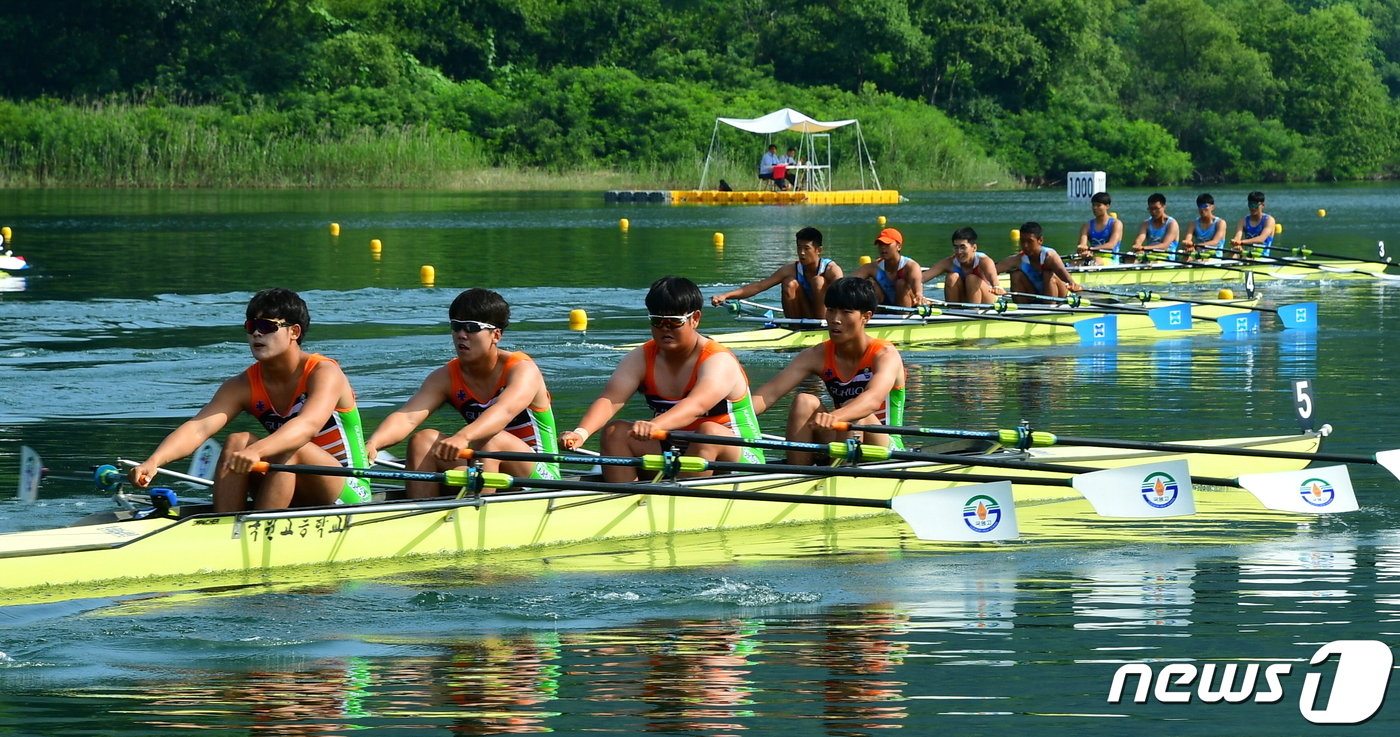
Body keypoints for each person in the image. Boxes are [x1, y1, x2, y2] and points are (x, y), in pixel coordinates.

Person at [128, 288, 372, 512]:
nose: (256, 332)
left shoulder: (324, 373)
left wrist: (257, 451)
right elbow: (199, 427)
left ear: (293, 332)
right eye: (251, 325)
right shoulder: (243, 384)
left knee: (289, 447)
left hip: (348, 489)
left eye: (267, 326)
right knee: (238, 440)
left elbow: (306, 427)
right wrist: (154, 461)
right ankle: (225, 526)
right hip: (291, 482)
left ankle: (259, 532)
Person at [561, 276, 765, 481]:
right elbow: (610, 400)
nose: (664, 329)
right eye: (657, 321)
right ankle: (623, 500)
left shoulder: (718, 360)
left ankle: (682, 501)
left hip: (739, 456)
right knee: (615, 432)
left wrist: (657, 424)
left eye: (674, 322)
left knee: (708, 432)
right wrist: (581, 433)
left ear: (695, 319)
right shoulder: (641, 357)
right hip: (676, 449)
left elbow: (696, 406)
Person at [363, 288, 560, 498]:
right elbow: (408, 417)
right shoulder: (446, 376)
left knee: (492, 439)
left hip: (539, 474)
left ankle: (476, 515)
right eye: (456, 326)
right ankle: (421, 514)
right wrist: (373, 443)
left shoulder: (522, 369)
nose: (461, 334)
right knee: (424, 440)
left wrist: (463, 437)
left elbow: (504, 411)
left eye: (472, 328)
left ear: (496, 335)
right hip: (483, 462)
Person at [750, 277, 906, 465]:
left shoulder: (885, 354)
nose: (835, 320)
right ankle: (797, 476)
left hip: (886, 445)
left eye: (846, 312)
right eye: (831, 311)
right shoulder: (817, 354)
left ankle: (840, 474)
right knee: (804, 401)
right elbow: (769, 394)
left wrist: (836, 416)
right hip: (843, 434)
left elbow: (872, 400)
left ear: (866, 317)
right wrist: (730, 418)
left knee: (855, 410)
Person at [710, 227, 843, 319]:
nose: (801, 253)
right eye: (799, 248)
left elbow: (845, 296)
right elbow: (759, 286)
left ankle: (821, 326)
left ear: (819, 250)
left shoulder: (831, 270)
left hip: (826, 318)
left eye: (806, 249)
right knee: (789, 282)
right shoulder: (791, 268)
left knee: (817, 281)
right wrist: (725, 295)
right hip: (804, 316)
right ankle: (794, 328)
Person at [994, 222, 1082, 302]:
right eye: (1022, 241)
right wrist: (995, 286)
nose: (1025, 246)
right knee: (1015, 275)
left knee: (1048, 274)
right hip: (1035, 293)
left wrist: (1072, 284)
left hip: (1059, 295)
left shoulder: (1049, 256)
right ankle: (1022, 310)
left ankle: (1050, 308)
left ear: (1040, 240)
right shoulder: (1017, 259)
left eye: (1029, 241)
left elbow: (1062, 272)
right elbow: (992, 271)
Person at [919, 226, 1004, 304]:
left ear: (974, 248)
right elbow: (923, 278)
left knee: (971, 279)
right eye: (956, 247)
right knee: (951, 277)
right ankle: (953, 311)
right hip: (964, 299)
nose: (959, 252)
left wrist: (996, 286)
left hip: (987, 299)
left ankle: (973, 311)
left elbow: (993, 278)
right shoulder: (949, 262)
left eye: (963, 247)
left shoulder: (984, 261)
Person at [851, 227, 923, 308]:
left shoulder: (911, 266)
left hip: (905, 309)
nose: (883, 247)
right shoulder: (872, 267)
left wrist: (918, 295)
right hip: (881, 307)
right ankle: (874, 313)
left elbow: (917, 288)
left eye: (887, 244)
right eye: (880, 244)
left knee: (901, 283)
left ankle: (903, 314)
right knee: (870, 283)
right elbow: (847, 282)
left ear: (899, 246)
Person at [1073, 191, 1124, 265]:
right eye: (1093, 205)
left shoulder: (1116, 224)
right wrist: (1083, 250)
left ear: (1107, 206)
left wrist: (1091, 249)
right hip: (1092, 256)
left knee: (1096, 260)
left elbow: (1111, 245)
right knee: (1073, 263)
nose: (1094, 208)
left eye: (1098, 205)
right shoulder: (1087, 225)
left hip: (1111, 258)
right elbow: (1082, 245)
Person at [1128, 192, 1180, 263]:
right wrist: (1137, 246)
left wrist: (1143, 248)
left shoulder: (1172, 224)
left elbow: (1164, 246)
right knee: (1129, 259)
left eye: (1156, 208)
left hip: (1166, 257)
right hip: (1150, 255)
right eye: (1151, 209)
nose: (1153, 212)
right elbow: (1139, 239)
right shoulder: (1146, 223)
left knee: (1147, 262)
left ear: (1164, 207)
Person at [1230, 190, 1276, 258]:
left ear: (1263, 205)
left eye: (1255, 204)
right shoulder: (1242, 221)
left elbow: (1261, 239)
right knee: (1233, 252)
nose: (1252, 207)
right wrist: (1236, 243)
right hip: (1248, 255)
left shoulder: (1269, 220)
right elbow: (1237, 237)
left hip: (1262, 257)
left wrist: (1241, 242)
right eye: (1250, 204)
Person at [1182, 193, 1227, 260]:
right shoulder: (1193, 224)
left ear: (1212, 207)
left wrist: (1197, 246)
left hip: (1214, 256)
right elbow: (1187, 240)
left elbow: (1215, 242)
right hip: (1198, 255)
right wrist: (1187, 244)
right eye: (1199, 206)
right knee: (1185, 258)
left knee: (1199, 260)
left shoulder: (1220, 223)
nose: (1202, 209)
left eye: (1205, 206)